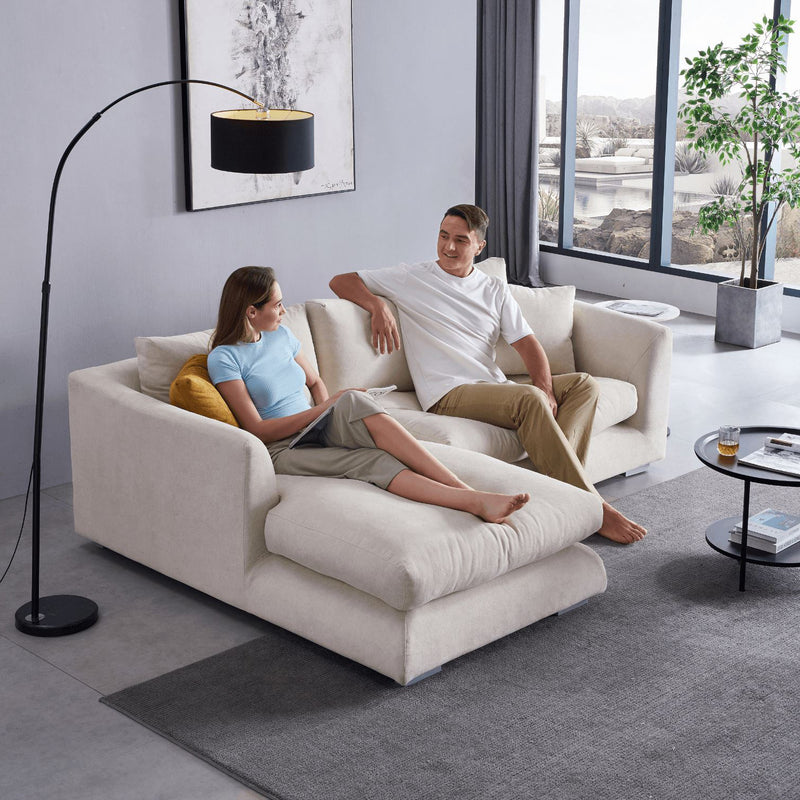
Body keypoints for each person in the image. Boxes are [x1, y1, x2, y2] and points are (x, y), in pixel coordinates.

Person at [329, 205, 647, 544]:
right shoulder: (412, 277)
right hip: (448, 393)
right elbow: (341, 280)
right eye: (443, 236)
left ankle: (558, 493)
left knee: (583, 385)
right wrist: (377, 306)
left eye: (460, 240)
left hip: (494, 387)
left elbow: (527, 344)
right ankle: (593, 507)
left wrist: (547, 388)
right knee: (528, 398)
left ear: (479, 247)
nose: (448, 247)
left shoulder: (493, 289)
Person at [206, 266, 531, 525]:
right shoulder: (224, 358)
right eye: (276, 305)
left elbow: (316, 381)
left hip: (314, 428)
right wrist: (327, 409)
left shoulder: (282, 336)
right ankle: (472, 500)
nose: (283, 311)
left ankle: (465, 490)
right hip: (282, 448)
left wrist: (326, 412)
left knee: (353, 401)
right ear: (250, 312)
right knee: (373, 457)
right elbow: (256, 430)